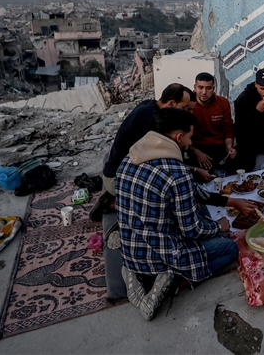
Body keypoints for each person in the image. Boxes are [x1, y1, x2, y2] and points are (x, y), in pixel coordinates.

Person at [116, 108, 254, 321]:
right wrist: (220, 226)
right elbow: (191, 230)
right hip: (161, 253)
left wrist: (229, 201)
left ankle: (132, 270)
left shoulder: (130, 157)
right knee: (229, 247)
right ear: (178, 137)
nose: (190, 143)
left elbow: (190, 194)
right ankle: (174, 281)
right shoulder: (176, 172)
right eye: (190, 137)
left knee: (200, 217)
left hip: (131, 247)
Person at [94, 83, 212, 222]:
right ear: (172, 104)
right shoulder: (151, 121)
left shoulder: (150, 105)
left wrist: (193, 155)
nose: (186, 113)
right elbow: (164, 168)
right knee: (173, 205)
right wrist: (194, 172)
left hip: (117, 169)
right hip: (117, 179)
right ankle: (116, 202)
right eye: (184, 108)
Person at [189, 72, 237, 174]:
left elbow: (228, 129)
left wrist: (229, 147)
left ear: (213, 88)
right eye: (200, 87)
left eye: (208, 88)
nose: (204, 92)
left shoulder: (223, 103)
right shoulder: (188, 104)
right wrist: (195, 152)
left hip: (219, 148)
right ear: (195, 87)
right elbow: (182, 136)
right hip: (196, 148)